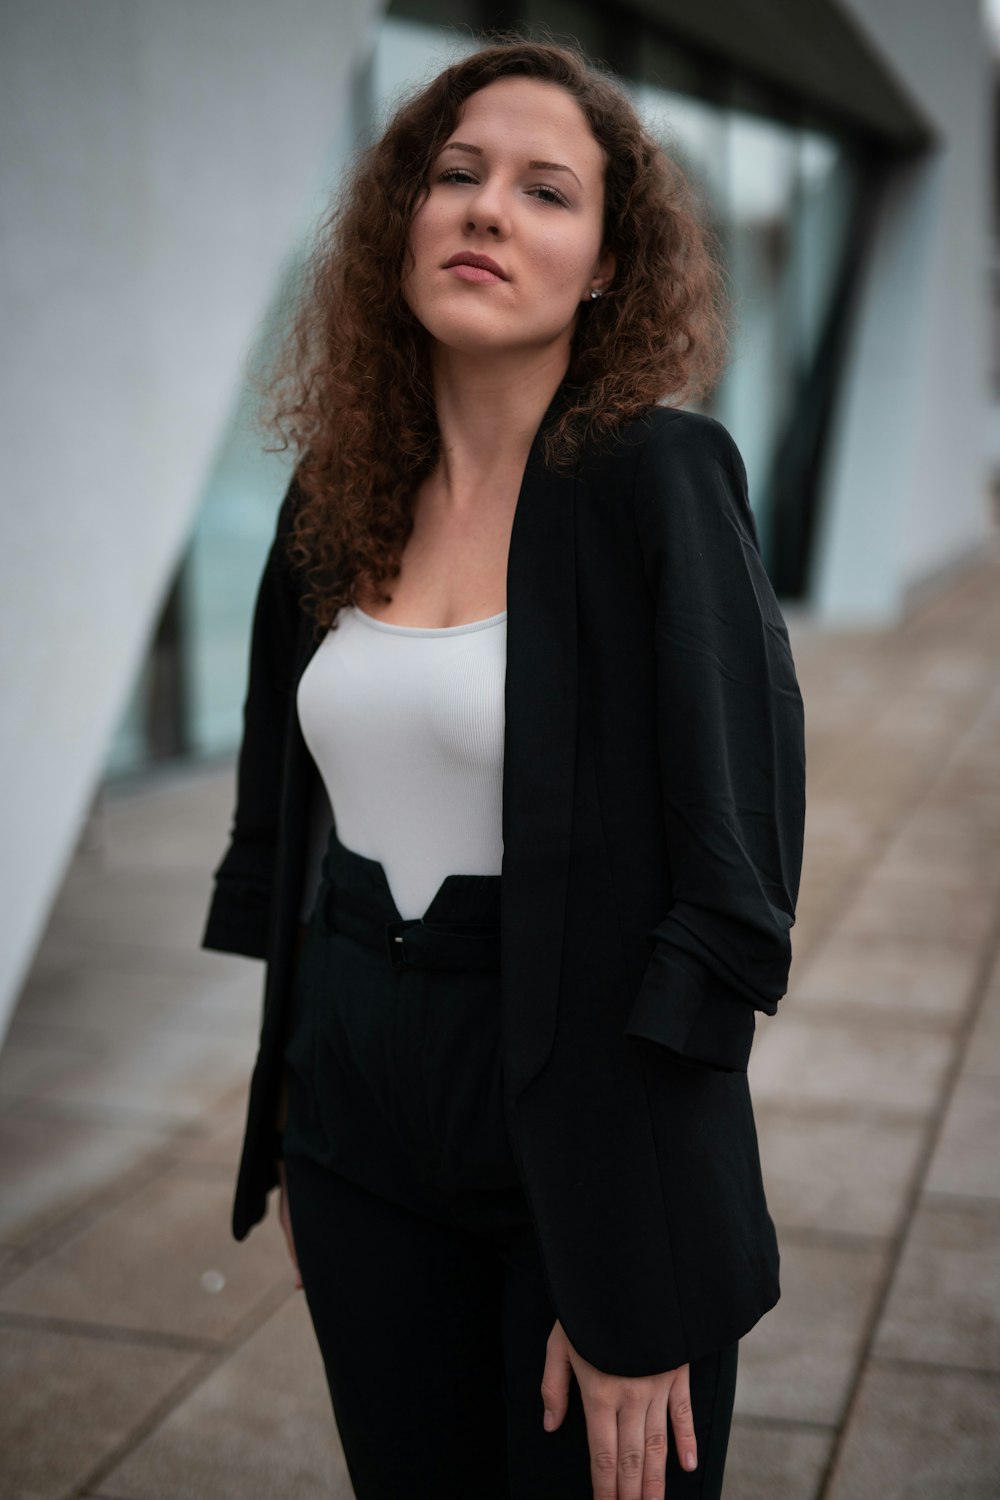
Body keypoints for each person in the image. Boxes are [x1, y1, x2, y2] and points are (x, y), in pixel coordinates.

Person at [201, 36, 806, 1500]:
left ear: (605, 265)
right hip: (354, 1118)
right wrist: (299, 1105)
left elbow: (733, 886)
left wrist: (636, 1266)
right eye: (456, 175)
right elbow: (286, 827)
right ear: (401, 219)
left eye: (546, 191)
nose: (485, 211)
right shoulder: (331, 489)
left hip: (583, 1111)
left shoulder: (660, 477)